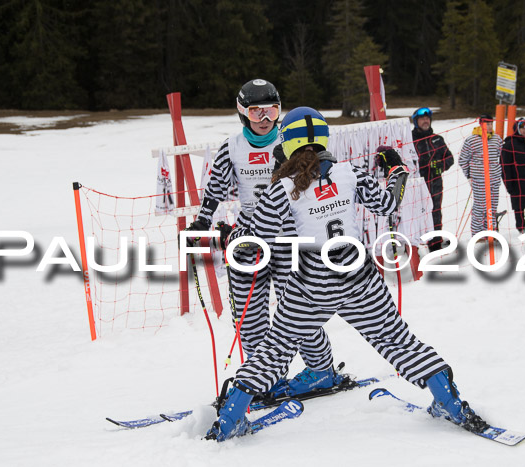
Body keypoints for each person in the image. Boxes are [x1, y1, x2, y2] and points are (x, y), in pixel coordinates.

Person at [206, 107, 489, 442]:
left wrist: (229, 236)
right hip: (360, 277)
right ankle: (450, 402)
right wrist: (396, 171)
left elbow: (253, 245)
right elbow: (387, 204)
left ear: (286, 143)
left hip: (310, 282)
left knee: (275, 349)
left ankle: (231, 419)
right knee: (398, 341)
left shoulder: (280, 189)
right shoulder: (348, 172)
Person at [185, 79, 338, 397]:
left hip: (288, 237)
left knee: (297, 308)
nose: (265, 118)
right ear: (243, 113)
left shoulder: (290, 141)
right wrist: (202, 220)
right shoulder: (232, 146)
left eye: (271, 110)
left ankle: (321, 368)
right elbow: (216, 188)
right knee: (248, 312)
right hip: (248, 237)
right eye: (256, 112)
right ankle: (262, 376)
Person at [411, 107, 455, 250]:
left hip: (435, 182)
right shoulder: (409, 140)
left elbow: (449, 157)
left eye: (428, 119)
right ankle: (418, 242)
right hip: (417, 184)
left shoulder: (437, 139)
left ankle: (435, 241)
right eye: (423, 119)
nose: (426, 121)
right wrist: (422, 165)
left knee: (435, 210)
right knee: (418, 212)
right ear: (416, 122)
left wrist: (441, 166)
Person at [459, 114, 503, 235]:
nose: (489, 126)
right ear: (480, 124)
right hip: (479, 180)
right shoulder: (471, 140)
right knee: (480, 206)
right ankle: (477, 233)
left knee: (492, 206)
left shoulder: (497, 139)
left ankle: (490, 231)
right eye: (486, 124)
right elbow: (462, 160)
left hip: (494, 179)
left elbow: (500, 157)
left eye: (490, 123)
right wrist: (469, 176)